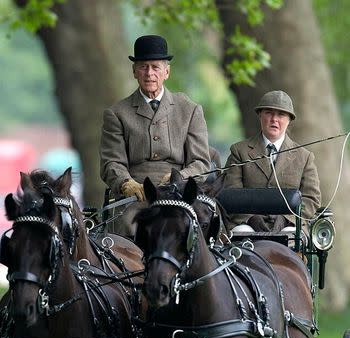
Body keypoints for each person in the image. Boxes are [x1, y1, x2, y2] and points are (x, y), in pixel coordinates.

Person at [99, 35, 211, 204]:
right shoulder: (116, 113)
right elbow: (111, 162)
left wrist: (180, 177)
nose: (149, 73)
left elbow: (201, 162)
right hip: (135, 196)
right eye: (143, 67)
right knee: (128, 227)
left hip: (178, 194)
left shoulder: (190, 110)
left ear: (167, 72)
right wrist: (126, 183)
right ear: (134, 71)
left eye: (155, 67)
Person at [222, 90, 321, 233]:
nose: (274, 119)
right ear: (260, 115)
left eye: (281, 114)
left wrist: (287, 219)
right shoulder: (239, 151)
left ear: (289, 120)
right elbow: (230, 194)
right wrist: (251, 218)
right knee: (241, 234)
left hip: (290, 226)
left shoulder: (305, 157)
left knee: (292, 237)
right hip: (247, 226)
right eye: (269, 112)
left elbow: (312, 200)